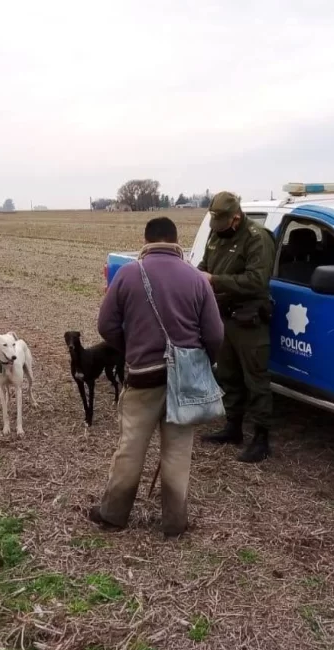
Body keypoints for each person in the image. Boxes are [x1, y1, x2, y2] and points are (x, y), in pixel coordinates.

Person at [90, 216, 224, 537]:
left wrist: (131, 349)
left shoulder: (128, 275)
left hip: (142, 377)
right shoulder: (196, 279)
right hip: (185, 381)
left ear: (146, 240)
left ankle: (113, 515)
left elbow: (105, 325)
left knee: (131, 447)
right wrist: (201, 362)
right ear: (176, 240)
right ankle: (175, 524)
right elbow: (215, 334)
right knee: (177, 452)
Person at [198, 191, 276, 463]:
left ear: (236, 217)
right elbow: (204, 266)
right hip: (222, 317)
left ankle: (261, 438)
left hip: (248, 319)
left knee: (256, 379)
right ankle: (233, 428)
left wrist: (215, 280)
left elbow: (257, 280)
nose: (217, 229)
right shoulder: (216, 234)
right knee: (228, 375)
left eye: (222, 223)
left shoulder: (257, 238)